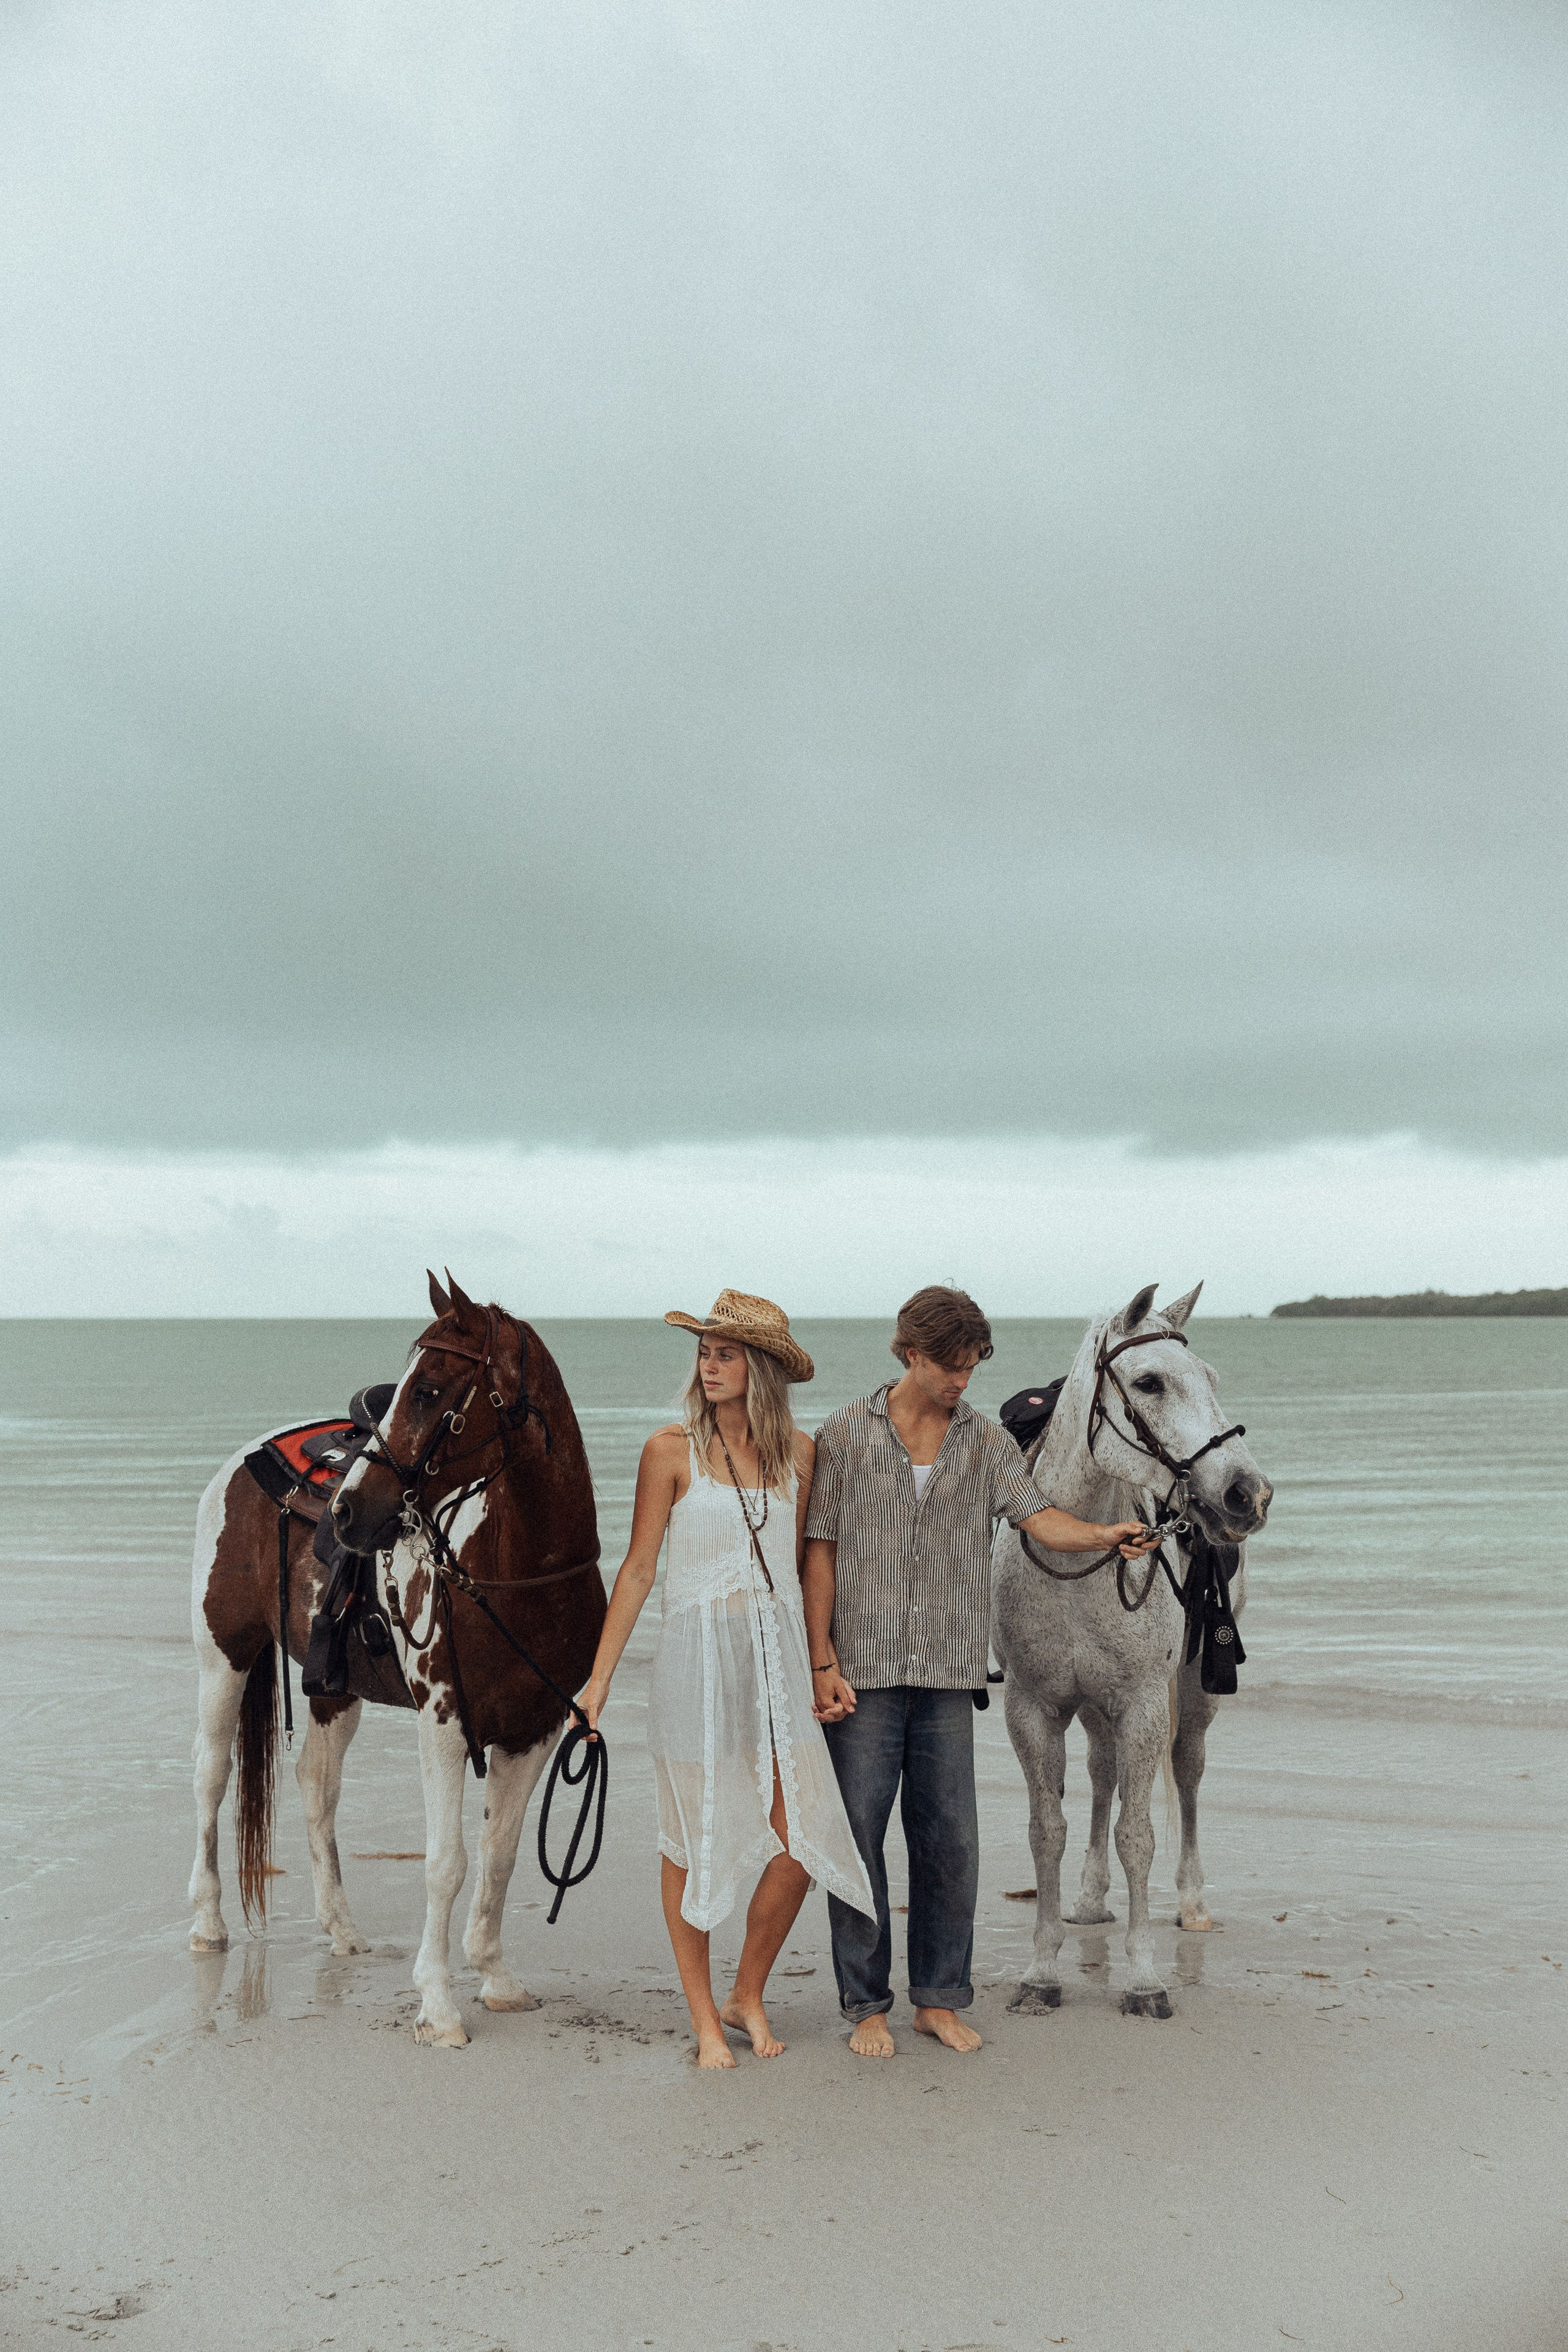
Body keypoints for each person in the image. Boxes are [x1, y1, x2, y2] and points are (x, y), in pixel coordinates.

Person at [803, 1284, 1158, 2059]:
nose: (962, 1381)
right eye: (949, 1367)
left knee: (950, 1844)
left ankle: (938, 1999)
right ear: (909, 1353)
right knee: (859, 1842)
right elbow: (819, 1551)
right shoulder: (842, 1436)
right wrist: (820, 1659)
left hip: (947, 1674)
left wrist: (1107, 1533)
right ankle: (866, 2005)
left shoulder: (988, 1443)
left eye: (972, 1366)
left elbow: (1038, 1517)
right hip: (859, 1672)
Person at [581, 1289, 875, 2068]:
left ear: (763, 1369)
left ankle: (749, 1988)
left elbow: (813, 1563)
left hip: (776, 1662)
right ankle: (706, 2018)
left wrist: (823, 1660)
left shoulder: (801, 1456)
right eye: (704, 1353)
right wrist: (598, 1681)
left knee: (800, 1835)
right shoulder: (669, 1451)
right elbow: (640, 1568)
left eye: (725, 1353)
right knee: (692, 1839)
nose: (708, 1367)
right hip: (696, 1662)